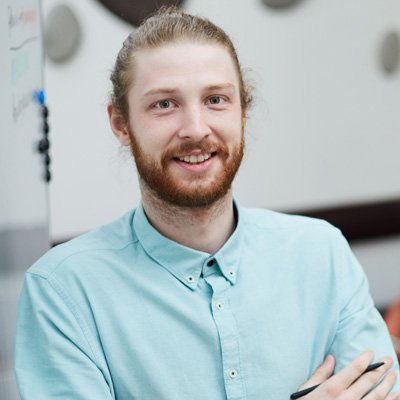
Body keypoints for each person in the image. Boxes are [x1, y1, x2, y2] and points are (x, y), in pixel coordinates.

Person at [15, 7, 400, 400]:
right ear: (121, 124)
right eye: (164, 104)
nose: (196, 130)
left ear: (243, 112)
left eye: (216, 99)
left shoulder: (322, 253)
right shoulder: (63, 291)